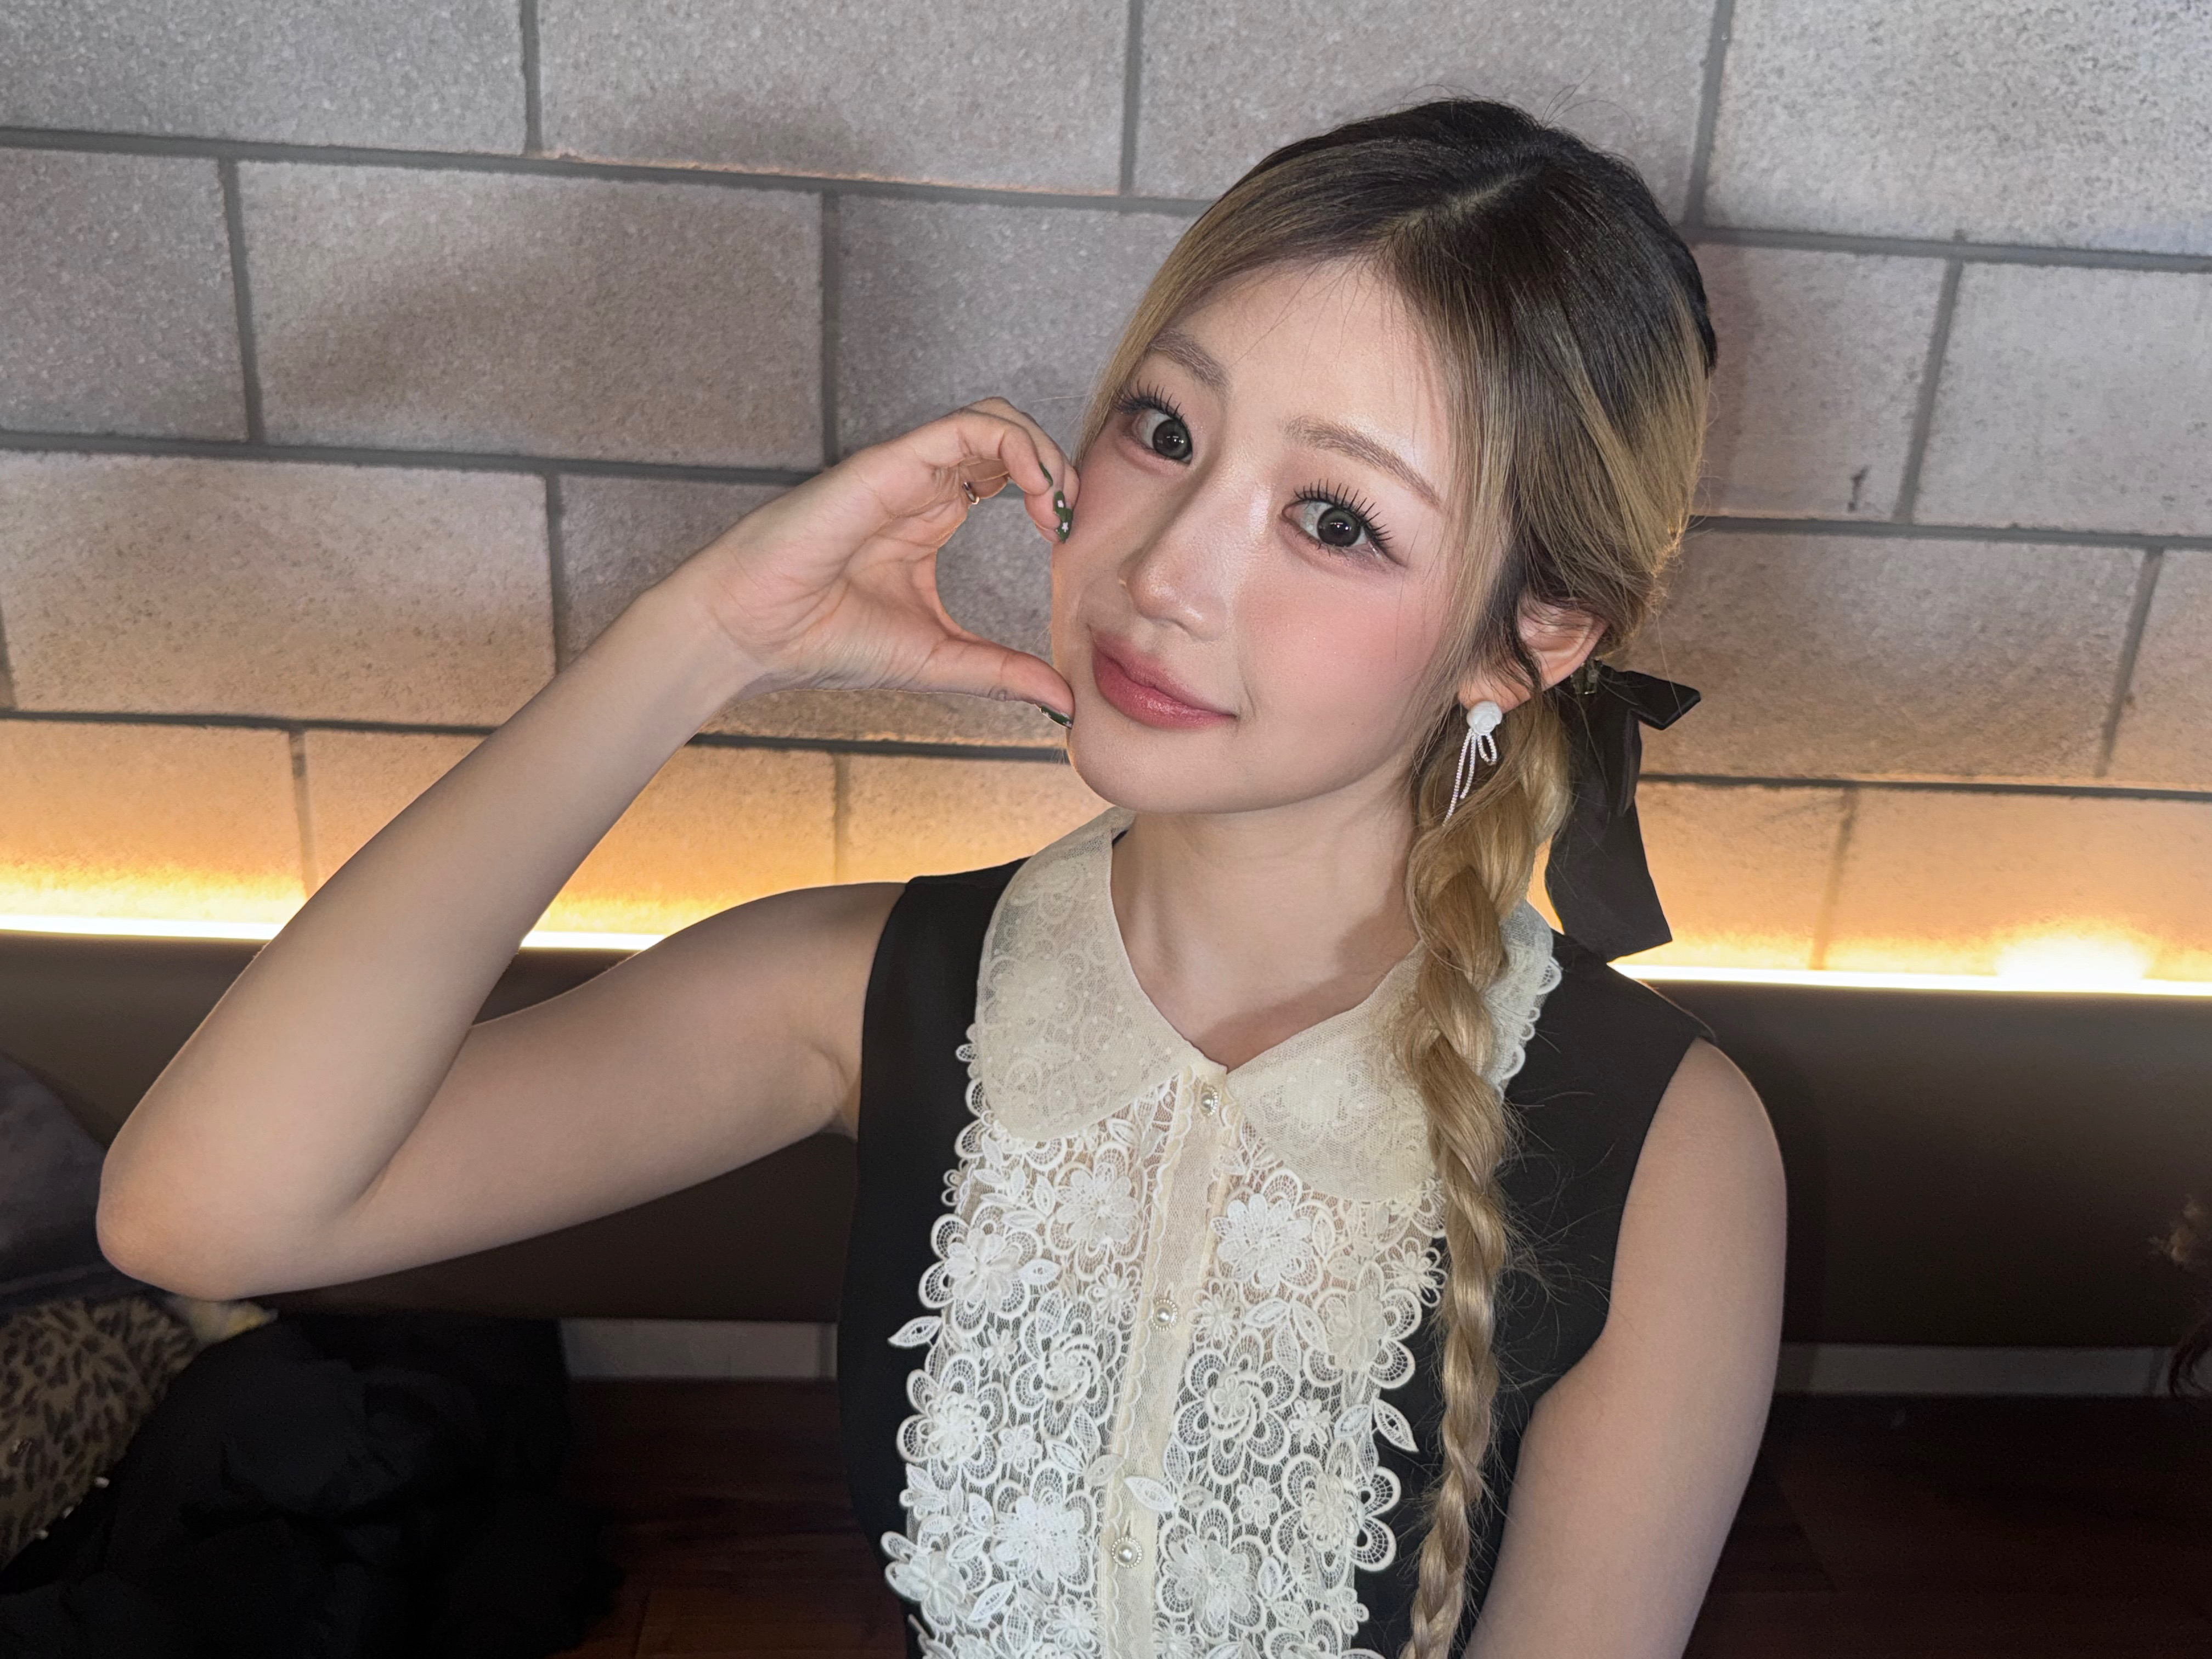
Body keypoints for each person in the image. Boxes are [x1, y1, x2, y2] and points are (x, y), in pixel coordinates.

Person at [97, 97, 1786, 1659]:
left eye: (1334, 519)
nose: (1166, 571)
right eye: (1165, 428)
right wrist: (704, 636)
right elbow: (199, 1211)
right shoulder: (866, 988)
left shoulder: (1669, 1147)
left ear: (1531, 637)